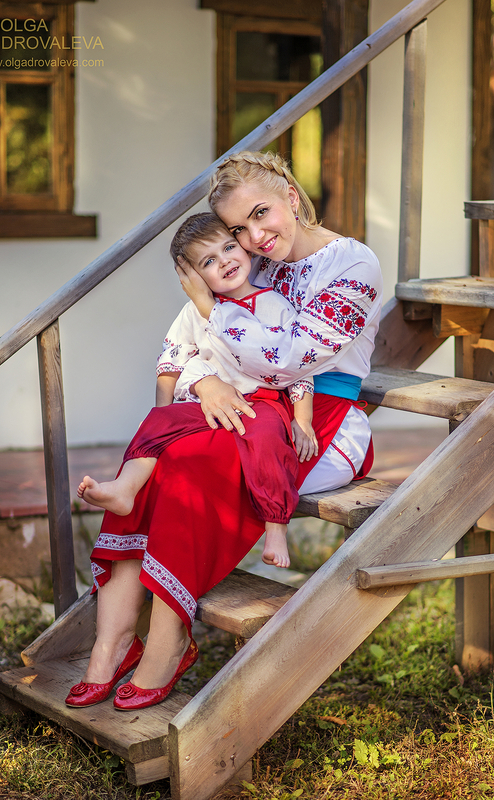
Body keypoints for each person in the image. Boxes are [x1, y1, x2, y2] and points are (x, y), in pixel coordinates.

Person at [65, 150, 382, 713]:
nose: (254, 237)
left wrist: (211, 315)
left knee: (187, 465)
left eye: (261, 214)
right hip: (244, 405)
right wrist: (204, 381)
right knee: (159, 458)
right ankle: (111, 644)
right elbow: (193, 345)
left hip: (317, 422)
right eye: (238, 229)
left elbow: (289, 360)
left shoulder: (354, 265)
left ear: (290, 195)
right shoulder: (255, 261)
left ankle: (166, 642)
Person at [76, 212, 318, 571]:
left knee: (270, 439)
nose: (225, 261)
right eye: (208, 261)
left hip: (261, 402)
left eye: (229, 248)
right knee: (157, 422)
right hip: (204, 405)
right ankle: (125, 487)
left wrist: (302, 420)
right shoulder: (193, 313)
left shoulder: (274, 306)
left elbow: (297, 368)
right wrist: (163, 415)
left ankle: (276, 528)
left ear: (244, 248)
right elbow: (172, 360)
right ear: (192, 277)